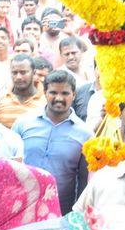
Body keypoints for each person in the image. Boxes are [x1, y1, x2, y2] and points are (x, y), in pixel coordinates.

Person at [13, 70, 91, 214]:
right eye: (53, 92)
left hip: (61, 210)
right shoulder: (23, 123)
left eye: (65, 93)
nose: (59, 98)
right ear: (45, 92)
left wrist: (76, 214)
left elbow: (83, 179)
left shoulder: (85, 134)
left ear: (74, 95)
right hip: (20, 205)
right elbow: (10, 165)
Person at [0, 54, 46, 128]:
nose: (18, 77)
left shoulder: (46, 101)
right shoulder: (0, 99)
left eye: (23, 72)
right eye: (14, 73)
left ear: (34, 73)